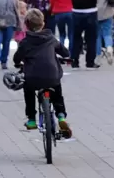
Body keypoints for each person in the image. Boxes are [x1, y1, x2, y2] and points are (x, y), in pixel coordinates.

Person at [11, 8, 72, 137]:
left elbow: (17, 58)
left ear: (26, 25)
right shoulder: (51, 38)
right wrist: (65, 57)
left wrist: (18, 63)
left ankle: (32, 119)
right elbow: (65, 52)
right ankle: (61, 116)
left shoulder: (25, 42)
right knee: (57, 91)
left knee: (28, 90)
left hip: (33, 77)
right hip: (52, 76)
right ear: (43, 23)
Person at [68, 0, 103, 69]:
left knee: (76, 37)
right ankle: (89, 62)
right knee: (91, 38)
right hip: (90, 11)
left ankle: (74, 60)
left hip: (76, 10)